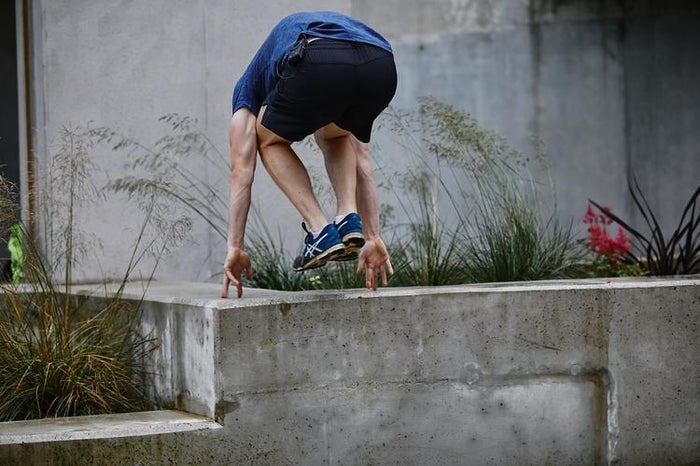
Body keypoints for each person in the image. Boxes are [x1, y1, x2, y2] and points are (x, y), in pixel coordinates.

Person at [221, 11, 397, 298]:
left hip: (319, 57)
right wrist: (373, 236)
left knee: (269, 142)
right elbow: (363, 164)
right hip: (381, 63)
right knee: (335, 133)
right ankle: (348, 217)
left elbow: (242, 173)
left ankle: (319, 231)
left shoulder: (245, 94)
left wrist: (235, 247)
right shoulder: (296, 43)